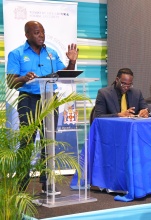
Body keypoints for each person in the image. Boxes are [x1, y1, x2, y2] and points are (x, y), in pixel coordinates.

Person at [6, 20, 79, 194]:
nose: (41, 36)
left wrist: (72, 63)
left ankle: (48, 184)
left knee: (49, 142)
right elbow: (10, 82)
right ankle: (21, 185)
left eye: (43, 32)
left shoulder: (52, 53)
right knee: (27, 143)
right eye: (37, 33)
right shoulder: (16, 54)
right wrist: (23, 78)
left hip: (49, 100)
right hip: (28, 100)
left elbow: (65, 76)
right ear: (27, 35)